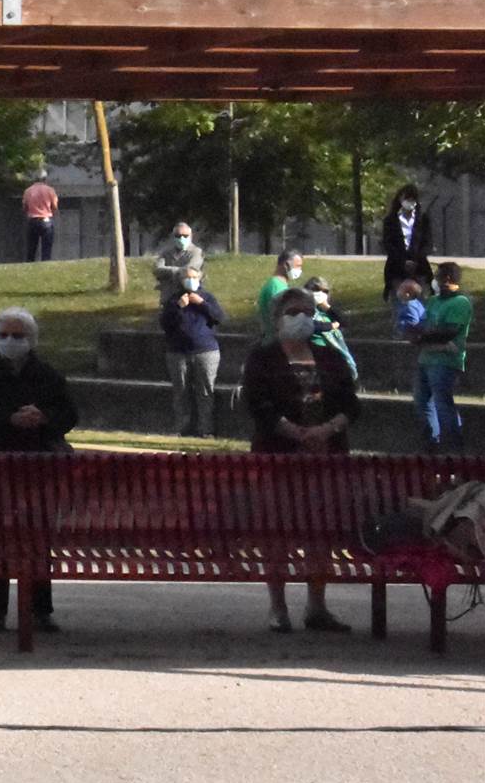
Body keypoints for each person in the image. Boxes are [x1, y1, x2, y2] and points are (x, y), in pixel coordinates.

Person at [241, 287, 357, 633]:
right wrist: (293, 431)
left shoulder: (331, 357)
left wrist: (328, 429)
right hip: (278, 457)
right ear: (277, 319)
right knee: (277, 533)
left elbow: (351, 404)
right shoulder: (262, 358)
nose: (302, 318)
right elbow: (257, 403)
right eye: (293, 312)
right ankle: (278, 608)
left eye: (308, 312)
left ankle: (316, 607)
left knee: (320, 532)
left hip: (325, 457)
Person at [0, 307, 76, 634]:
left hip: (38, 468)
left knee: (38, 540)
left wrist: (43, 417)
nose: (10, 341)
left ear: (31, 339)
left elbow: (69, 414)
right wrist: (9, 419)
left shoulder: (49, 375)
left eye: (18, 335)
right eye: (3, 335)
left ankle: (40, 609)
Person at [411, 261, 472, 452]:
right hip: (426, 359)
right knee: (423, 402)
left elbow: (448, 331)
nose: (434, 280)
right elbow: (421, 326)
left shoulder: (460, 302)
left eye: (437, 276)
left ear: (447, 278)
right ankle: (432, 445)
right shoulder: (434, 301)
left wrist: (425, 336)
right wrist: (421, 334)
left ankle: (455, 450)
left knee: (443, 404)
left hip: (445, 362)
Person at [159, 265, 225, 440]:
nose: (191, 280)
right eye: (187, 277)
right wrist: (179, 307)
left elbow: (219, 317)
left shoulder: (207, 297)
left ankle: (206, 428)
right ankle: (182, 427)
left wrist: (202, 304)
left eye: (194, 277)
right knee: (181, 391)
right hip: (178, 352)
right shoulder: (173, 300)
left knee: (205, 391)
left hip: (206, 351)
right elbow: (165, 324)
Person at [381, 185, 432, 301]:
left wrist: (415, 260)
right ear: (400, 199)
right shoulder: (390, 220)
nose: (410, 202)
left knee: (420, 304)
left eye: (413, 199)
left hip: (419, 268)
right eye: (407, 198)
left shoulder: (423, 219)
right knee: (400, 303)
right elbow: (388, 244)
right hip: (396, 269)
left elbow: (427, 243)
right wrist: (403, 261)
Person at [304, 276, 356, 380]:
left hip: (333, 354)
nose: (320, 294)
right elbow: (311, 325)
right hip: (314, 353)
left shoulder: (326, 311)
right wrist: (332, 326)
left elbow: (344, 321)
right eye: (317, 291)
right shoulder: (303, 310)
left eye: (324, 291)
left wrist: (326, 306)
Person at [255, 250, 303, 345]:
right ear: (286, 265)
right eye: (298, 266)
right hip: (275, 344)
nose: (300, 270)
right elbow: (282, 318)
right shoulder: (277, 287)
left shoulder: (278, 285)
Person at [152, 223, 203, 302]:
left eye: (185, 236)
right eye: (178, 236)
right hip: (168, 294)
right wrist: (179, 271)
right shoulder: (166, 252)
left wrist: (169, 272)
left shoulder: (196, 252)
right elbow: (157, 269)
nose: (181, 238)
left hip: (188, 294)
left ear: (191, 236)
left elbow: (190, 270)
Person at [21, 169, 58, 262]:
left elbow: (25, 207)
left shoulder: (28, 191)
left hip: (32, 220)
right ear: (45, 179)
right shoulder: (50, 190)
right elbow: (54, 206)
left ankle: (30, 265)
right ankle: (46, 264)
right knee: (46, 248)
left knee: (31, 247)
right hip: (46, 220)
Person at [392, 275, 427, 339]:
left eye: (400, 288)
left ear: (407, 295)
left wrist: (401, 324)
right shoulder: (414, 302)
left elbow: (414, 321)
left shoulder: (409, 307)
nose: (397, 290)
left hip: (411, 334)